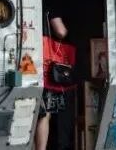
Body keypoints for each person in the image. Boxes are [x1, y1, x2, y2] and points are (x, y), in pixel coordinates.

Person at [35, 9, 76, 150]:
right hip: (48, 71)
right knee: (45, 114)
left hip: (35, 65)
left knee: (38, 112)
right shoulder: (51, 9)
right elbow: (61, 32)